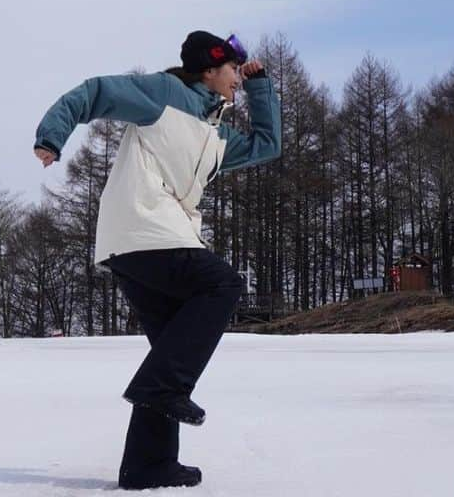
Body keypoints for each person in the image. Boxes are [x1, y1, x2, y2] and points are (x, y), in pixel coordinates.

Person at [33, 30, 282, 490]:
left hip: (140, 241)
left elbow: (268, 145)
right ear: (209, 70)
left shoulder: (213, 133)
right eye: (232, 73)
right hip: (144, 228)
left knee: (169, 347)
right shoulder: (163, 96)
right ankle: (162, 391)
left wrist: (262, 85)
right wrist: (52, 136)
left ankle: (149, 465)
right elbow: (95, 92)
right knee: (222, 285)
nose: (236, 82)